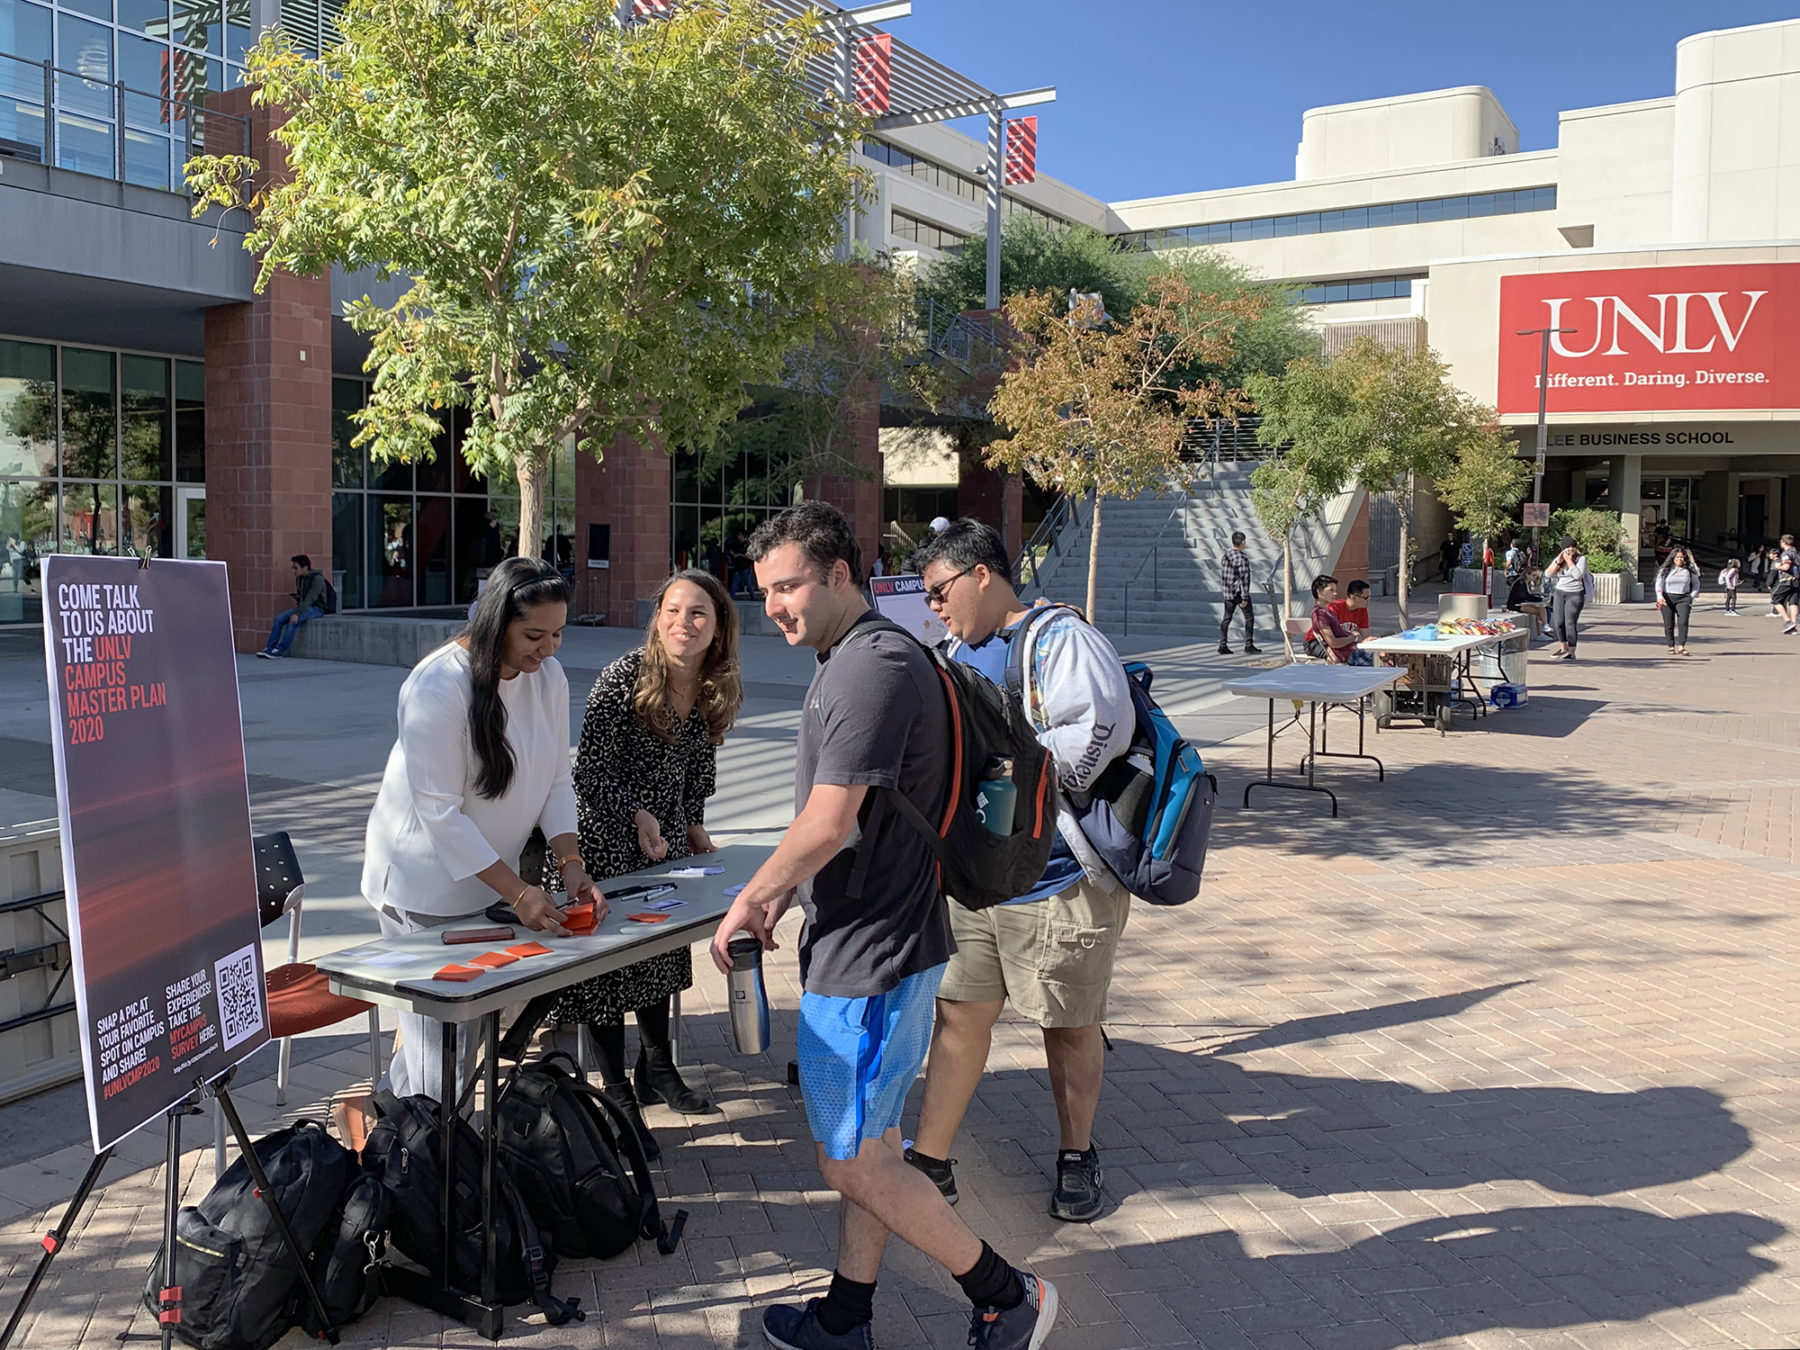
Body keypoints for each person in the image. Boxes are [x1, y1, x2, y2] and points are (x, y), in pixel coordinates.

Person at [708, 503, 1057, 1350]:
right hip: (893, 941)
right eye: (764, 592)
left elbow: (830, 821)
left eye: (790, 585)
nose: (776, 607)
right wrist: (793, 889)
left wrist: (752, 898)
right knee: (877, 1146)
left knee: (850, 1160)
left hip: (869, 956)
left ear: (838, 575)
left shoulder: (869, 667)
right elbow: (860, 820)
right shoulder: (881, 656)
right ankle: (846, 1317)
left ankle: (1008, 1295)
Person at [907, 519, 1134, 1227]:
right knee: (960, 1012)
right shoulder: (950, 652)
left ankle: (1076, 1154)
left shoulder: (1060, 640)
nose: (935, 608)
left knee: (1068, 1023)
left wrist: (1005, 767)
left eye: (941, 592)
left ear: (982, 574)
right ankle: (931, 1160)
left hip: (1057, 877)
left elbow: (1099, 733)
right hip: (976, 877)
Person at [361, 557, 606, 1102]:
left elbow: (556, 782)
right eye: (534, 635)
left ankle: (388, 1118)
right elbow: (440, 816)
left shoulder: (550, 679)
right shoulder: (437, 686)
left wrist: (572, 866)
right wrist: (518, 892)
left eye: (559, 634)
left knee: (461, 1039)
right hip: (421, 889)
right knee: (438, 1047)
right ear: (496, 622)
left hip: (489, 885)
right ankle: (431, 1159)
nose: (548, 650)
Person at [546, 570, 741, 1159]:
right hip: (604, 841)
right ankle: (617, 1099)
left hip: (666, 847)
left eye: (698, 613)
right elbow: (588, 777)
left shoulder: (711, 686)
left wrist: (695, 829)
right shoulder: (621, 679)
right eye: (674, 611)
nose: (684, 622)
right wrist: (638, 815)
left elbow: (695, 781)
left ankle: (657, 1069)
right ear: (658, 619)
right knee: (607, 973)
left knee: (657, 959)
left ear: (717, 628)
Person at [258, 555, 327, 658]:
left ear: (305, 567)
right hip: (303, 607)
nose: (294, 571)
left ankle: (280, 650)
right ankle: (270, 648)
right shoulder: (300, 579)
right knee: (278, 619)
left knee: (293, 621)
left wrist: (297, 613)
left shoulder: (317, 579)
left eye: (296, 568)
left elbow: (311, 598)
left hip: (317, 609)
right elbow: (303, 597)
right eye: (293, 568)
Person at [1543, 535, 1594, 660]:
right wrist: (1559, 561)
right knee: (1558, 622)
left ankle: (1571, 652)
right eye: (1568, 547)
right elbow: (1548, 574)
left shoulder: (1581, 559)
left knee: (1570, 623)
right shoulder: (1560, 558)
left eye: (1573, 547)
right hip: (1560, 592)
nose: (1571, 549)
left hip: (1575, 594)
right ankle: (1563, 648)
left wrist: (1570, 561)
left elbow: (1578, 575)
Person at [1309, 575, 1372, 665]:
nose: (1335, 593)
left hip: (1349, 649)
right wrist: (1353, 638)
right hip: (1346, 652)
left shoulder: (1329, 612)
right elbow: (1333, 642)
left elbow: (1339, 634)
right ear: (1319, 592)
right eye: (1331, 590)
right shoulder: (1320, 614)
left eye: (1335, 590)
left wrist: (1352, 636)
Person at [1218, 530, 1260, 655]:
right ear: (1242, 542)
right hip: (1238, 592)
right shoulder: (1243, 558)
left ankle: (1222, 644)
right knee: (1249, 618)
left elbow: (1224, 575)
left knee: (1226, 618)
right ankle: (1248, 644)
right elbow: (1245, 578)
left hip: (1228, 592)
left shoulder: (1226, 556)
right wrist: (1245, 597)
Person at [1655, 547, 1700, 656]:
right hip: (1667, 598)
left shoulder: (1689, 570)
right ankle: (1671, 646)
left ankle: (1681, 646)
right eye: (1677, 557)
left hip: (1683, 598)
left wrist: (1691, 596)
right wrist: (1659, 596)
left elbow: (1696, 584)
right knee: (1669, 623)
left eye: (1682, 557)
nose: (1680, 559)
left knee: (1683, 622)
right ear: (1672, 558)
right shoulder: (1665, 570)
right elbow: (1659, 583)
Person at [1506, 567, 1551, 638]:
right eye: (1533, 575)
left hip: (1520, 603)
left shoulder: (1526, 583)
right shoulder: (1521, 582)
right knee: (1540, 610)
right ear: (1527, 575)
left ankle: (1543, 629)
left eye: (1536, 575)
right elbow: (1525, 596)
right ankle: (1544, 627)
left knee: (1541, 610)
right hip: (1515, 605)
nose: (1535, 577)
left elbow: (1528, 595)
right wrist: (1539, 599)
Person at [1771, 541, 1800, 635]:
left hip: (1787, 580)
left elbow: (1786, 567)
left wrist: (1778, 566)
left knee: (1774, 598)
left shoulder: (1786, 553)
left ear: (1783, 542)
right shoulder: (1796, 553)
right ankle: (1793, 626)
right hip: (1797, 580)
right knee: (1793, 602)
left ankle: (1788, 622)